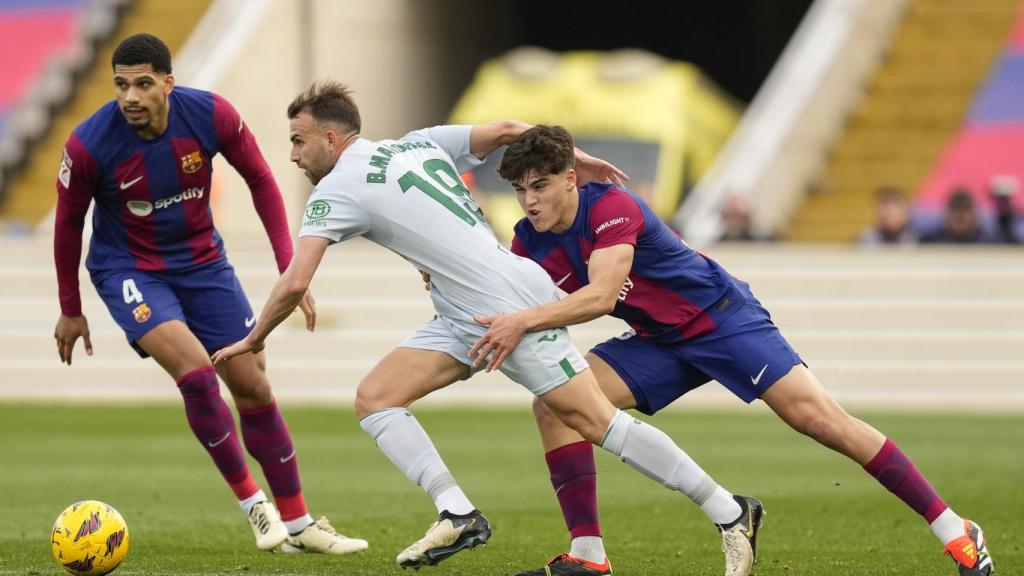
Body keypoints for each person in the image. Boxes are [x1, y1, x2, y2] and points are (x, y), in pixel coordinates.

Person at [212, 81, 764, 575]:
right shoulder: (415, 142)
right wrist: (584, 158)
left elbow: (292, 283)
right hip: (463, 310)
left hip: (504, 306)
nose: (293, 154)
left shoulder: (335, 191)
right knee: (377, 397)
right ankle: (458, 511)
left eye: (299, 141)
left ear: (331, 140)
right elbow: (506, 130)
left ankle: (730, 511)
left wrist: (252, 340)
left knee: (594, 420)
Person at [470, 125, 995, 576]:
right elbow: (498, 286)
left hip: (723, 319)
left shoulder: (611, 206)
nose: (530, 200)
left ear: (569, 179)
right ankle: (588, 555)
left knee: (819, 419)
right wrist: (442, 274)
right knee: (557, 405)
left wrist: (521, 321)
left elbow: (602, 296)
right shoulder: (528, 239)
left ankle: (954, 525)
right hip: (661, 341)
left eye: (539, 185)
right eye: (520, 190)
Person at [52, 34, 366, 555]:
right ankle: (254, 507)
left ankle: (300, 524)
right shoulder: (88, 145)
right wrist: (70, 308)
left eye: (143, 84)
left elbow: (262, 180)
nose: (131, 96)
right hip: (128, 269)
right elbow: (67, 226)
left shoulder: (210, 115)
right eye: (121, 85)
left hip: (204, 264)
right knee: (197, 374)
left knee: (253, 388)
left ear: (168, 84)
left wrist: (289, 265)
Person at [921, 188, 996, 244]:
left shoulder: (989, 244)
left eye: (966, 208)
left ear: (975, 215)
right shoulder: (930, 243)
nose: (960, 214)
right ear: (946, 215)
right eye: (955, 208)